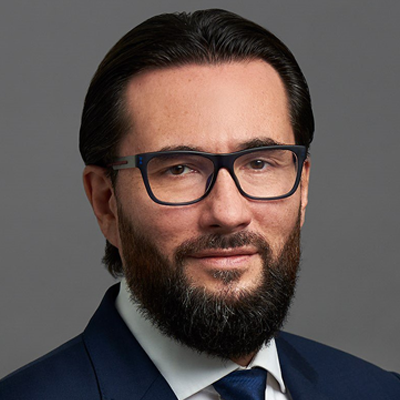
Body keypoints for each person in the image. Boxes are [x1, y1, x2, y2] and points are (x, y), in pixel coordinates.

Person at [0, 8, 399, 400]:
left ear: (303, 187)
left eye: (259, 163)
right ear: (107, 202)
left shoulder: (380, 391)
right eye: (179, 169)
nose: (228, 213)